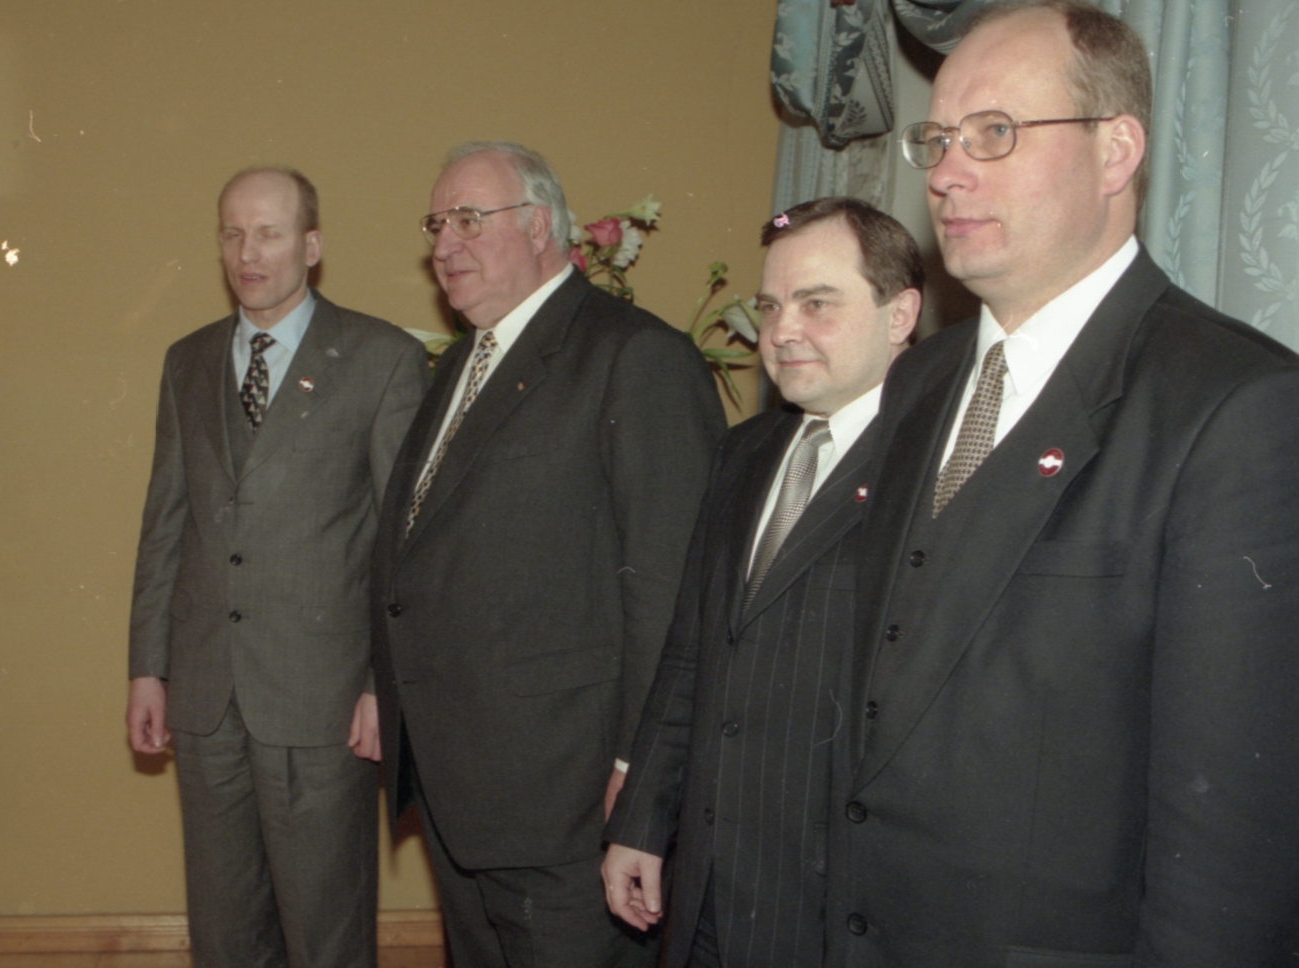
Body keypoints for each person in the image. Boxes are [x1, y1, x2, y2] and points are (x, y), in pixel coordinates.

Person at [836, 1, 1299, 963]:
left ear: (1114, 150)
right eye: (937, 140)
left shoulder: (1234, 405)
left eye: (994, 133)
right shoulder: (919, 381)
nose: (947, 173)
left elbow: (1230, 843)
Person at [370, 141, 726, 968]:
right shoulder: (463, 364)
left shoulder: (633, 356)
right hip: (463, 794)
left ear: (538, 226)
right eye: (436, 224)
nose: (444, 243)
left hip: (569, 805)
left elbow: (671, 592)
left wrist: (643, 776)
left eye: (468, 219)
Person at [603, 197, 923, 967]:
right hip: (708, 884)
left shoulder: (932, 468)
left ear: (900, 314)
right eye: (772, 306)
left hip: (836, 902)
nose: (780, 331)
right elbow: (691, 649)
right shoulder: (743, 452)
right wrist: (641, 823)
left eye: (816, 304)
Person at [126, 166, 429, 968]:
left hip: (323, 699)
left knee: (325, 929)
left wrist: (384, 683)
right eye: (232, 234)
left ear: (311, 245)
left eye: (268, 233)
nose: (247, 252)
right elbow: (165, 524)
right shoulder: (187, 362)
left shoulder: (382, 359)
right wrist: (147, 668)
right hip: (204, 694)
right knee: (224, 932)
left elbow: (403, 545)